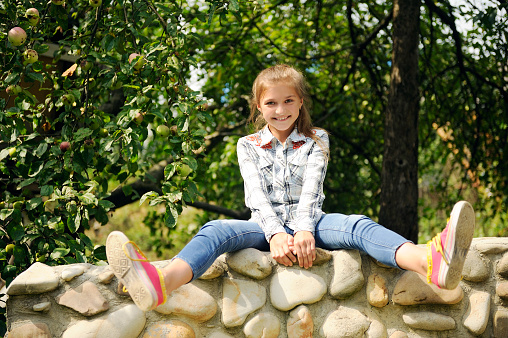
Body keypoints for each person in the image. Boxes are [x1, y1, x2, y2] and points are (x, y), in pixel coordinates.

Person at [106, 64, 476, 312]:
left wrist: (301, 231)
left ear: (300, 102)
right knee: (216, 230)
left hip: (312, 222)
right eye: (271, 103)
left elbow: (312, 193)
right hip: (261, 225)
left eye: (288, 101)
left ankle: (430, 261)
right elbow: (255, 196)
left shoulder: (318, 141)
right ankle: (161, 281)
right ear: (259, 106)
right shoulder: (247, 145)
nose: (280, 109)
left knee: (357, 226)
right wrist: (274, 235)